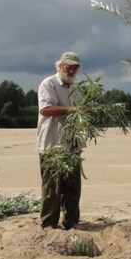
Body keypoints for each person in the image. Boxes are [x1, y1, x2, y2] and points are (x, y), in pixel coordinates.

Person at [36, 52, 82, 230]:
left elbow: (82, 111)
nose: (71, 70)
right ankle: (48, 224)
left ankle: (72, 222)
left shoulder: (77, 88)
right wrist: (72, 109)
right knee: (52, 186)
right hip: (52, 143)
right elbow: (45, 109)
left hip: (71, 142)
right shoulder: (49, 84)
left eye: (75, 67)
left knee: (73, 185)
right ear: (60, 65)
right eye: (68, 66)